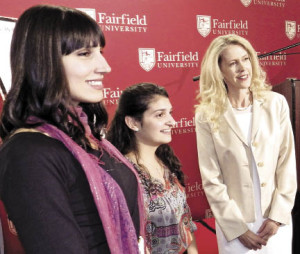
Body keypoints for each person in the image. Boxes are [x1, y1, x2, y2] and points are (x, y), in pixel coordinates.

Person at [0, 5, 145, 254]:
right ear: (43, 61)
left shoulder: (91, 139)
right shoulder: (28, 153)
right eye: (85, 53)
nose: (105, 66)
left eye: (100, 51)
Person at [195, 34, 297, 253]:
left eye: (246, 59)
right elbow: (211, 178)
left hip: (275, 222)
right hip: (235, 227)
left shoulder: (275, 103)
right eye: (233, 63)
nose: (243, 68)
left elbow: (287, 164)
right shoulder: (207, 115)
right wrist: (238, 229)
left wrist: (277, 218)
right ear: (219, 70)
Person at [107, 83, 198, 254]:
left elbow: (186, 224)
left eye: (170, 113)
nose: (172, 121)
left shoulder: (167, 162)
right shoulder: (123, 174)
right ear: (133, 122)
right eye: (160, 115)